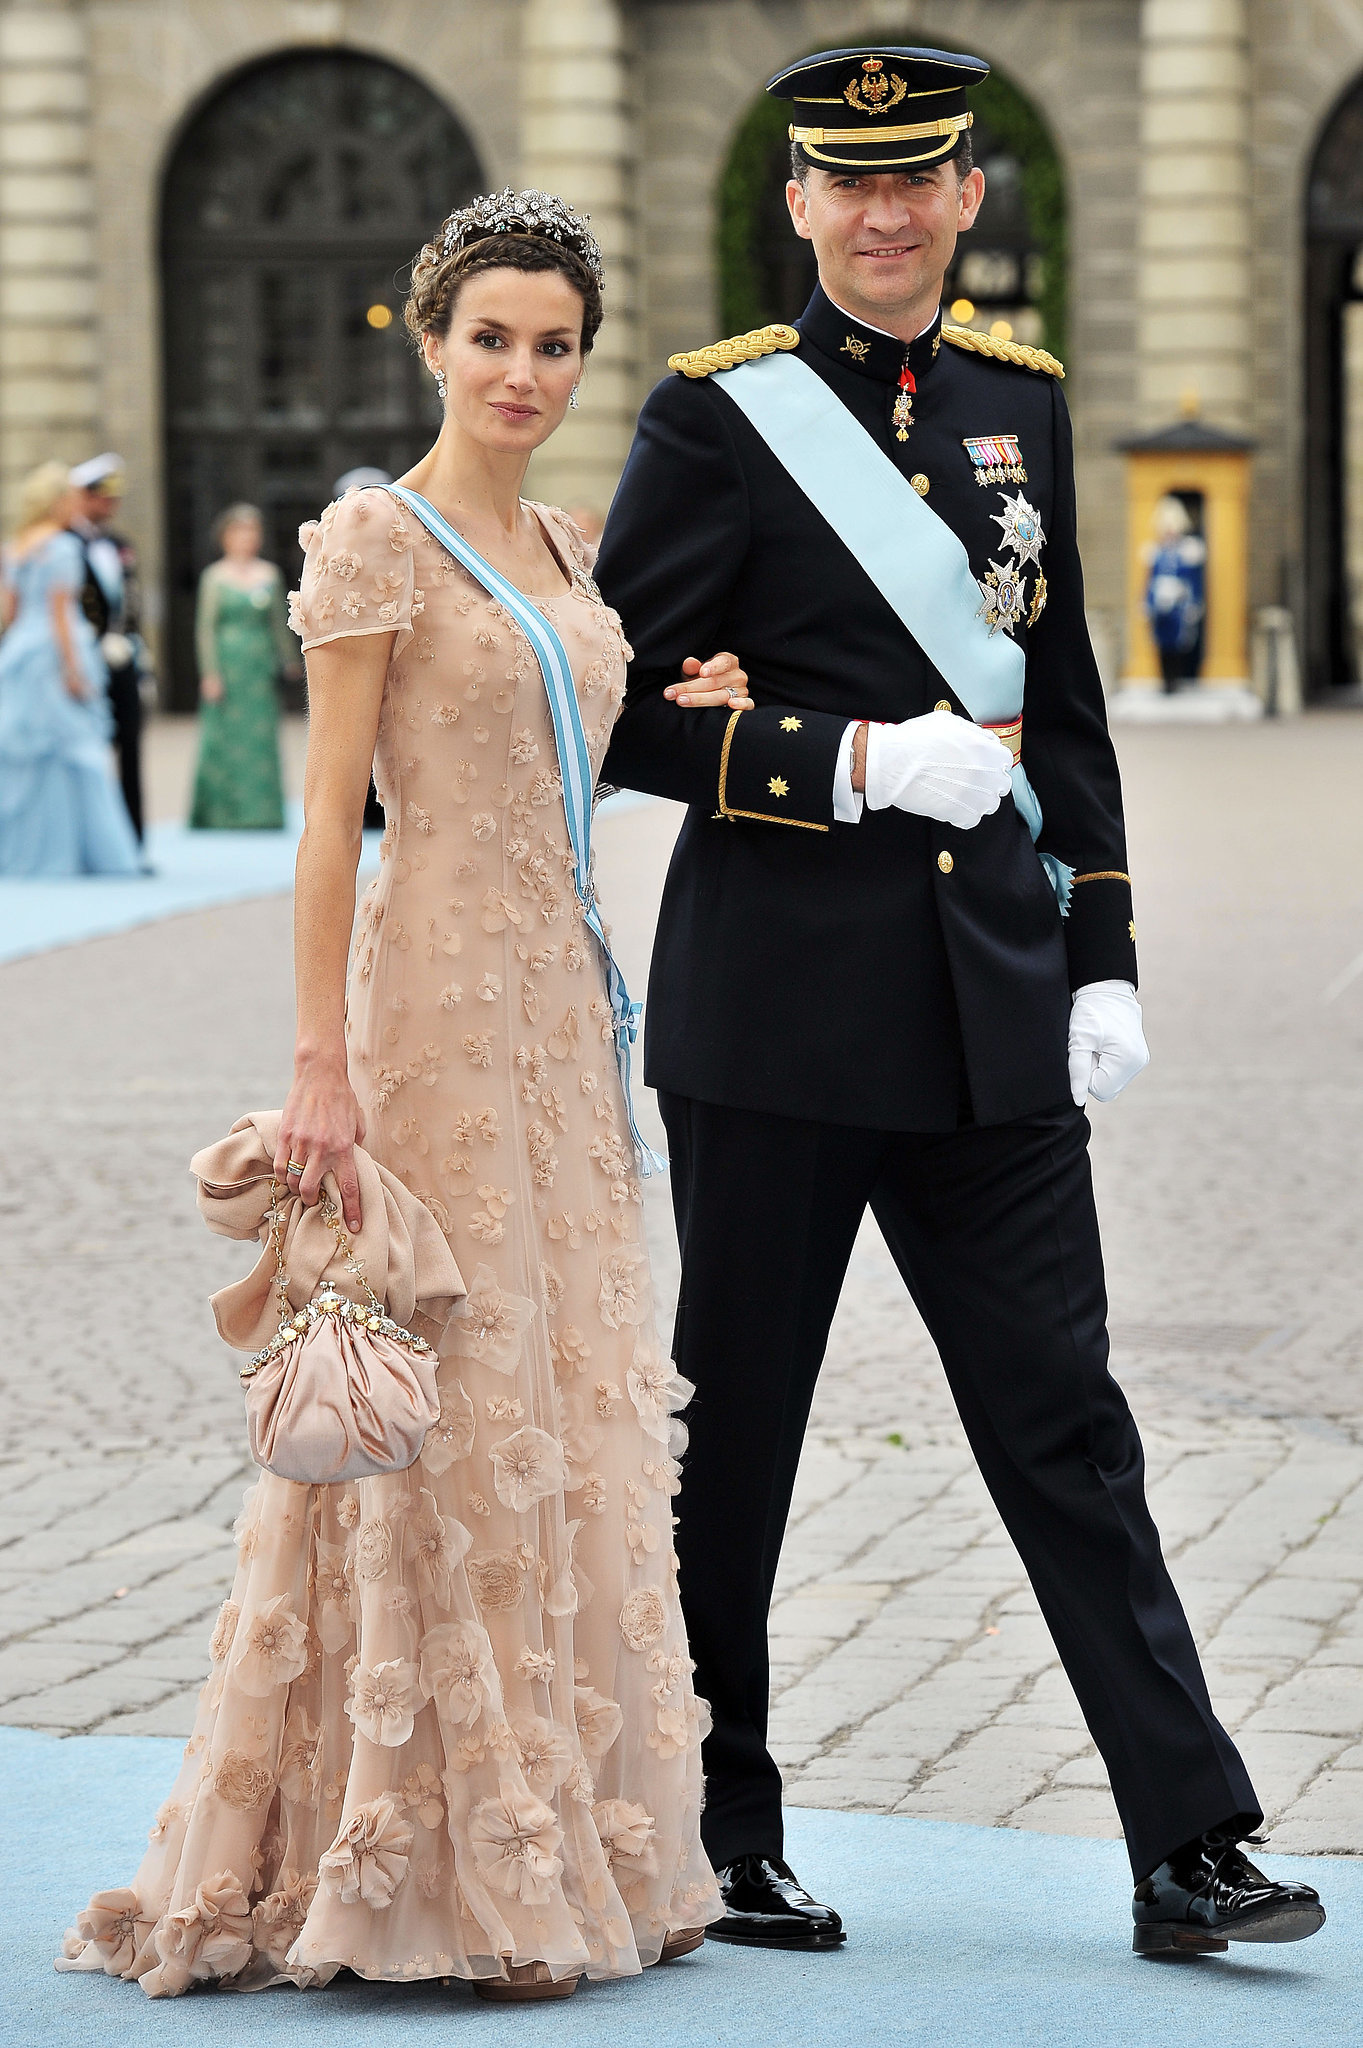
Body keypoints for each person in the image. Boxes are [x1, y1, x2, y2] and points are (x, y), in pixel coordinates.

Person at [596, 44, 1326, 1959]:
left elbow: (1054, 696)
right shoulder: (716, 419)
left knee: (1065, 1420)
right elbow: (619, 706)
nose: (886, 212)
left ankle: (1186, 1841)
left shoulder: (1020, 404)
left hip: (991, 1006)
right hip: (773, 1015)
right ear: (799, 204)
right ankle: (712, 1822)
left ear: (966, 198)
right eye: (850, 183)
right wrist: (840, 761)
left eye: (917, 180)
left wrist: (1101, 950)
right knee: (736, 1429)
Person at [57, 189, 741, 2003]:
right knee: (433, 1394)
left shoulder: (574, 554)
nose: (523, 370)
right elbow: (327, 809)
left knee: (559, 1390)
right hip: (425, 1009)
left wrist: (699, 695)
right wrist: (317, 1068)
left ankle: (569, 1825)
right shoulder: (377, 538)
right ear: (431, 337)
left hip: (567, 1028)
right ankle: (407, 1846)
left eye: (555, 342)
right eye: (491, 336)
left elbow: (578, 754)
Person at [0, 460, 141, 876]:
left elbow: (8, 613)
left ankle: (27, 852)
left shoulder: (16, 546)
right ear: (57, 502)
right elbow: (61, 613)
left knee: (28, 759)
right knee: (77, 754)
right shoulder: (61, 547)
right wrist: (75, 670)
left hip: (20, 653)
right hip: (54, 654)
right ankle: (78, 852)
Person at [189, 503, 297, 829]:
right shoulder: (215, 577)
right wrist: (210, 672)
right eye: (239, 533)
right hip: (229, 662)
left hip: (258, 665)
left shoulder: (269, 574)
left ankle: (261, 812)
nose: (246, 539)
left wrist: (289, 658)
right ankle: (222, 813)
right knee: (224, 736)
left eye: (252, 533)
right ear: (224, 538)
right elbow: (206, 628)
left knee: (260, 736)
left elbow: (280, 623)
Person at [69, 452, 151, 846]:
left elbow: (131, 602)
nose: (111, 506)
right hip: (84, 659)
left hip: (122, 658)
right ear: (85, 497)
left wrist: (139, 652)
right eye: (104, 497)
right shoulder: (64, 543)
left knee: (131, 744)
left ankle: (132, 837)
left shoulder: (119, 544)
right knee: (88, 749)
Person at [1144, 494, 1207, 691]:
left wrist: (1194, 603)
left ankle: (1179, 679)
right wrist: (1147, 601)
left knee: (1179, 643)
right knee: (1162, 643)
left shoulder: (1187, 551)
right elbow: (1150, 579)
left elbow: (1193, 581)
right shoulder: (1156, 552)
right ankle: (1166, 681)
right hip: (1161, 604)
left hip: (1179, 604)